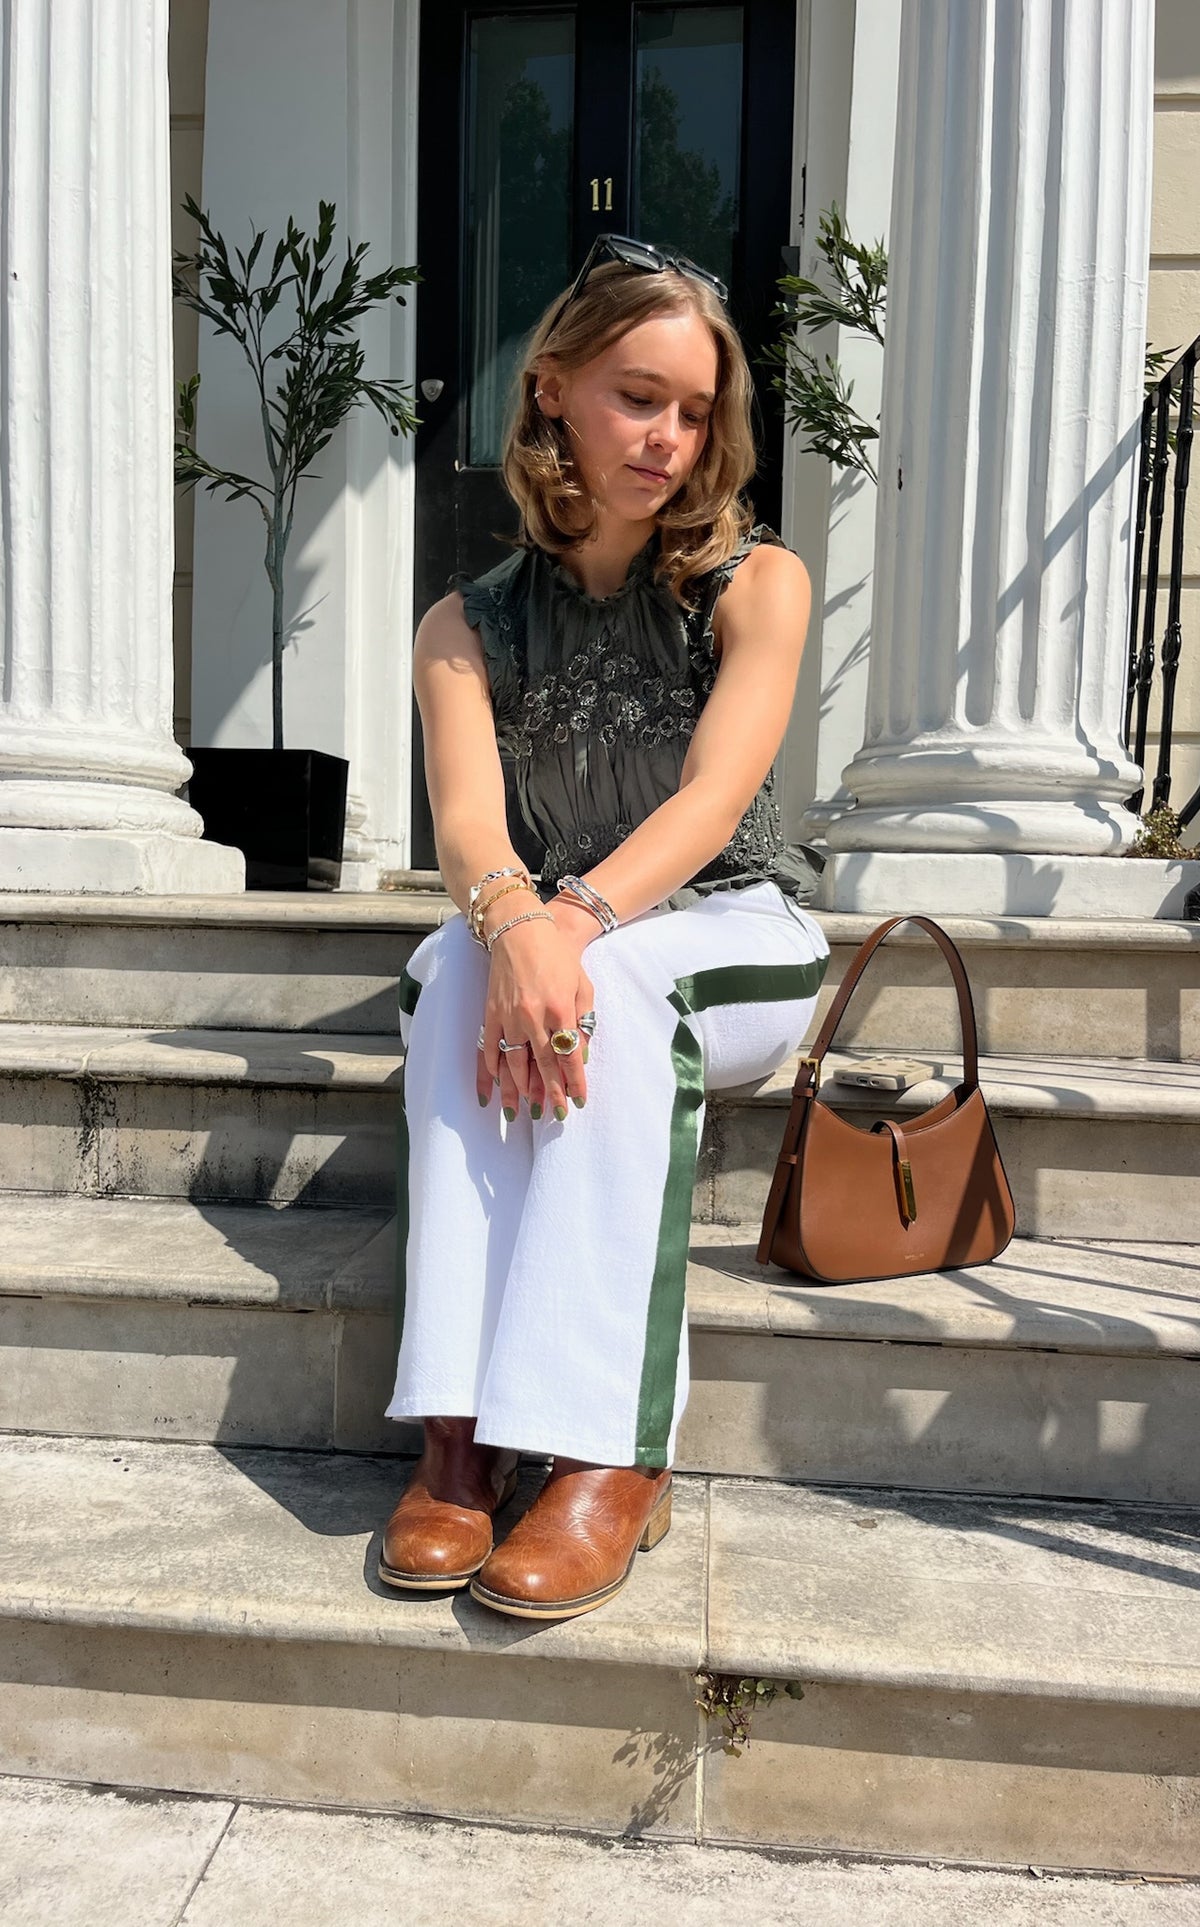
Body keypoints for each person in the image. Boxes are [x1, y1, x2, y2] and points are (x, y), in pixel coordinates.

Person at [380, 234, 829, 1621]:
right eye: (639, 397)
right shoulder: (463, 623)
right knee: (456, 965)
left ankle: (606, 1451)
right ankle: (456, 1435)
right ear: (554, 389)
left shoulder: (756, 585)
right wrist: (513, 925)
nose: (669, 438)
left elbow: (708, 806)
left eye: (695, 412)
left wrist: (563, 923)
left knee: (616, 979)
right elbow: (465, 828)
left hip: (724, 934)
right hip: (540, 936)